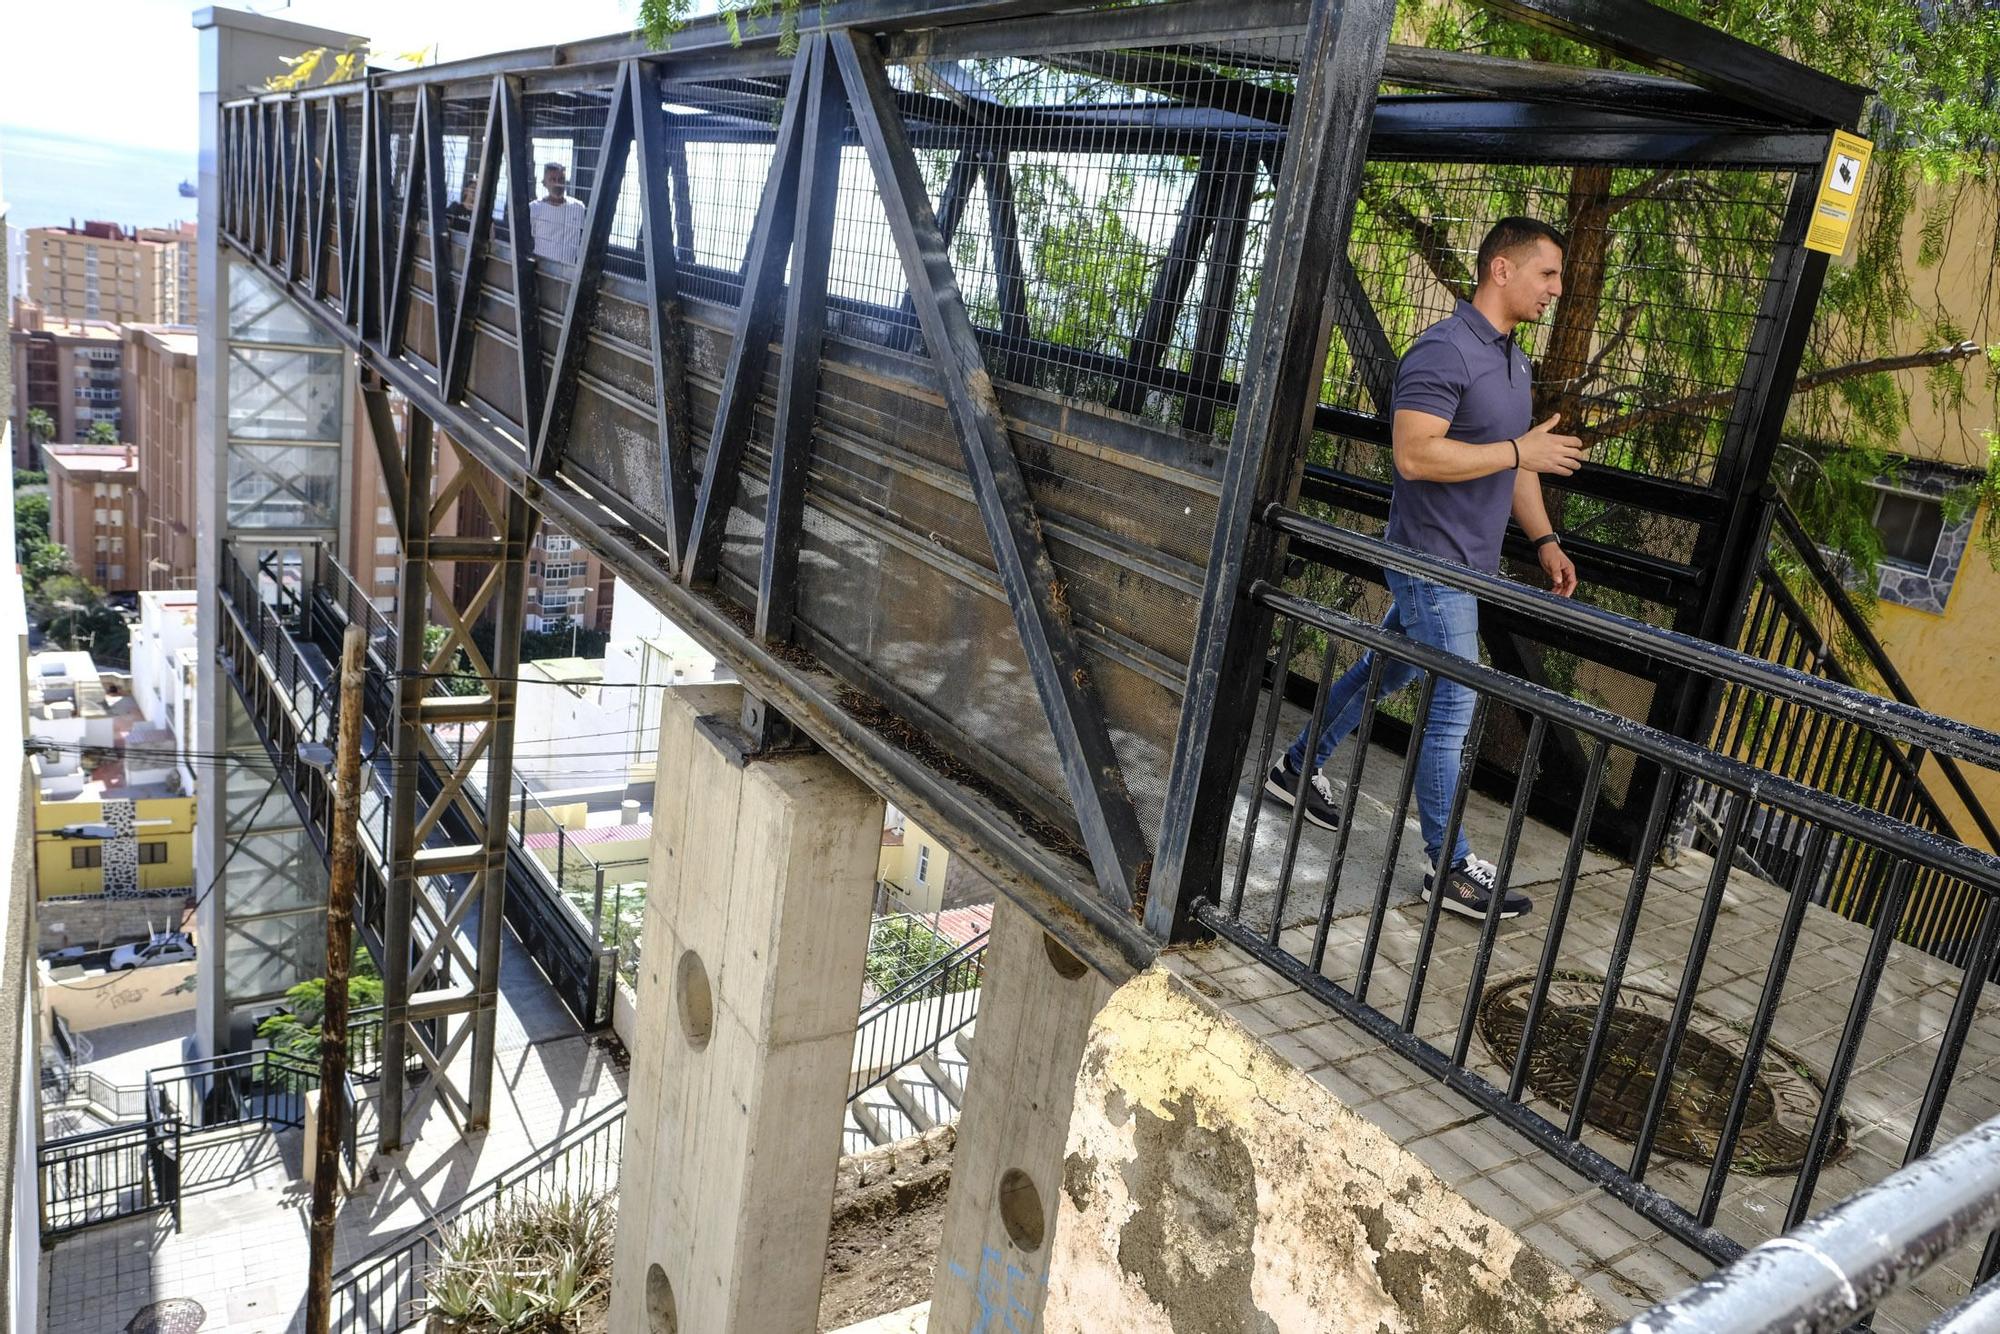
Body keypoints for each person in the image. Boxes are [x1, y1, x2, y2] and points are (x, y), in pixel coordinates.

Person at [1264, 216, 1586, 923]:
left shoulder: (1514, 360)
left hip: (1469, 564)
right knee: (1452, 708)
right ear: (1502, 269)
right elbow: (1414, 455)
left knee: (1390, 671)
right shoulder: (1441, 352)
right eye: (1548, 274)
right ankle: (1447, 867)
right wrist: (1515, 456)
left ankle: (1295, 766)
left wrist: (1544, 541)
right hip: (1428, 560)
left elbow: (1519, 460)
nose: (1557, 290)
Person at [528, 162, 587, 271]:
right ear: (544, 183)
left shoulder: (579, 208)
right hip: (542, 271)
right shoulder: (534, 208)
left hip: (570, 273)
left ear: (566, 182)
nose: (557, 184)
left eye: (561, 180)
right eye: (552, 180)